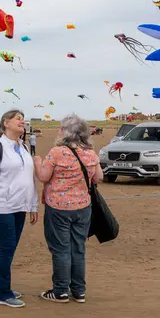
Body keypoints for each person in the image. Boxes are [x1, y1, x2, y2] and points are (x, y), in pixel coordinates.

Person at [33, 114, 103, 304]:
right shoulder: (91, 153)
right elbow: (98, 178)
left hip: (59, 208)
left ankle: (60, 290)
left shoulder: (57, 152)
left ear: (66, 132)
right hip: (83, 207)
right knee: (78, 248)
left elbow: (44, 177)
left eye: (61, 128)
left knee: (61, 249)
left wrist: (38, 163)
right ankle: (79, 291)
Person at [0, 110, 39, 308]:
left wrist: (32, 205)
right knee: (7, 247)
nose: (22, 121)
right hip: (3, 206)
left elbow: (28, 179)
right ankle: (3, 293)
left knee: (10, 248)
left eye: (23, 118)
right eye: (18, 118)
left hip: (20, 206)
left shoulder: (22, 148)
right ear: (6, 123)